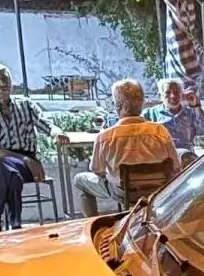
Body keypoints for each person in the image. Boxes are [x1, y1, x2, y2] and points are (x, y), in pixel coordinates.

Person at [0, 63, 68, 233]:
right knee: (6, 171)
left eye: (5, 79)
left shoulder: (26, 105)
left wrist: (57, 133)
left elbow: (47, 125)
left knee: (3, 168)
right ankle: (15, 225)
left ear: (11, 82)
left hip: (26, 165)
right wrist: (24, 159)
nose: (2, 84)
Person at [73, 79, 180, 216]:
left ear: (117, 105)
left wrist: (111, 172)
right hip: (157, 190)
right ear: (142, 103)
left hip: (123, 192)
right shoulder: (161, 131)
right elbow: (176, 166)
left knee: (80, 180)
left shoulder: (105, 137)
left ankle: (91, 224)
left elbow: (97, 170)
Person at [142, 78, 204, 159]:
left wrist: (196, 106)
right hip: (162, 158)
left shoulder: (191, 113)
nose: (173, 96)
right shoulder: (150, 114)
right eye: (168, 92)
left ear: (182, 94)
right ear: (160, 95)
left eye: (176, 92)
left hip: (186, 158)